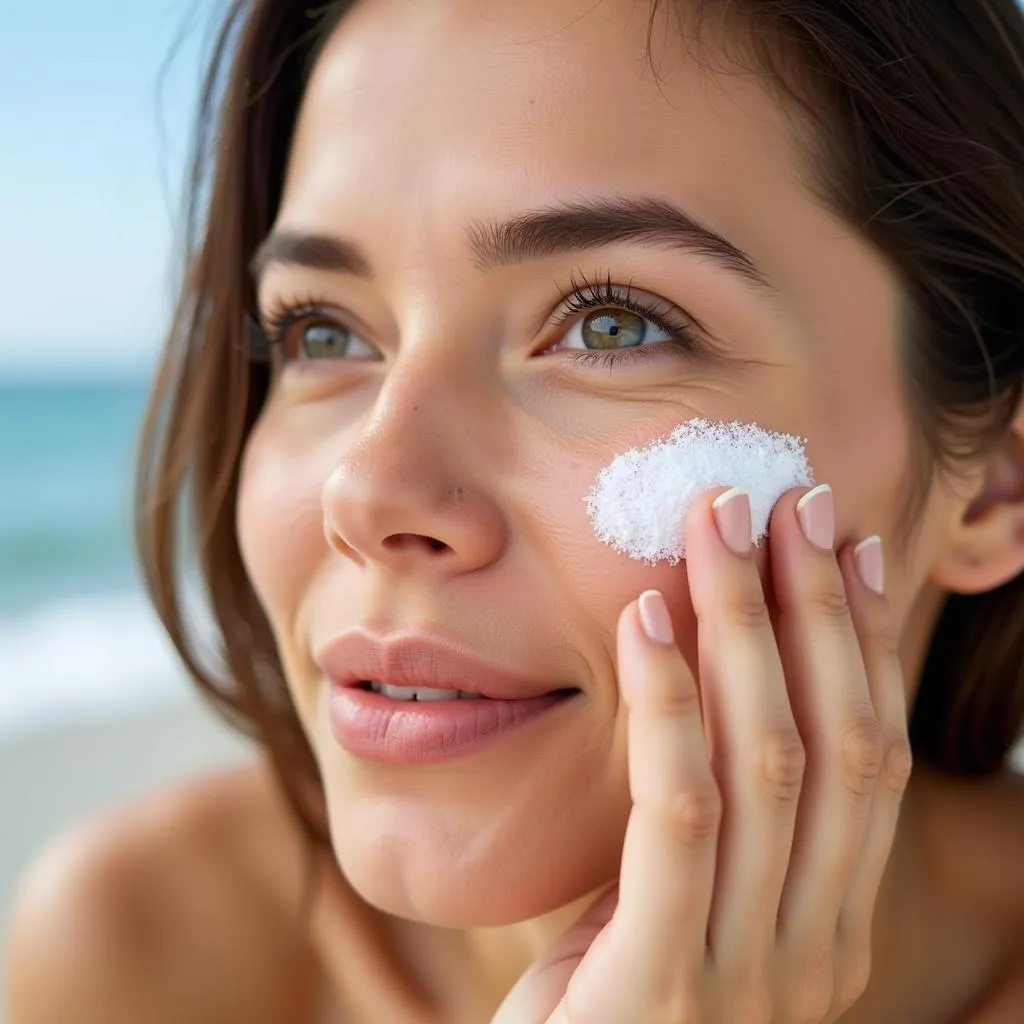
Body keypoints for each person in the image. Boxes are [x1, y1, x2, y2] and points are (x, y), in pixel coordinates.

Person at [6, 0, 1024, 1020]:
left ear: (991, 485)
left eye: (611, 325)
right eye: (323, 334)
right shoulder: (129, 955)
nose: (366, 493)